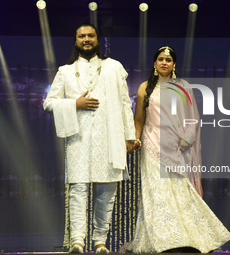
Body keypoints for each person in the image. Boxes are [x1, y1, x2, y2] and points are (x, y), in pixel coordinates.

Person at [126, 46, 230, 253]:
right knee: (156, 192)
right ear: (155, 63)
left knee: (180, 191)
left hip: (176, 146)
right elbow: (138, 119)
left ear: (174, 65)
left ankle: (189, 236)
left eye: (168, 59)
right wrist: (135, 140)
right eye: (160, 59)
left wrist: (187, 138)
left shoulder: (183, 86)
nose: (164, 62)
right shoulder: (144, 88)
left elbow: (193, 117)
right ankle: (163, 239)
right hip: (151, 144)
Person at [43, 23, 136, 254]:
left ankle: (100, 242)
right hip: (79, 139)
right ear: (75, 41)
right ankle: (77, 242)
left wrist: (129, 137)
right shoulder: (65, 71)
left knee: (106, 193)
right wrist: (75, 103)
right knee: (78, 191)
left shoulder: (114, 67)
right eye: (82, 36)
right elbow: (49, 103)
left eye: (91, 36)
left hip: (110, 138)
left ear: (98, 40)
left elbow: (125, 104)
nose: (86, 39)